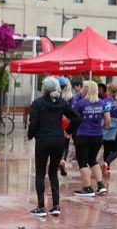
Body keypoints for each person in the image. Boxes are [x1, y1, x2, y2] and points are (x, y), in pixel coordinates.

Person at [27, 76, 80, 216]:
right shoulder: (61, 102)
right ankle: (56, 206)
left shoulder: (37, 103)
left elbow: (33, 123)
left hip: (43, 141)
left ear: (44, 88)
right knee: (53, 173)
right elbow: (77, 117)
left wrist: (30, 135)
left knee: (40, 172)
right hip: (58, 141)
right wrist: (68, 132)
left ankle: (41, 207)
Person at [71, 80, 110, 197]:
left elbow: (72, 119)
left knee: (82, 161)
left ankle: (87, 188)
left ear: (87, 89)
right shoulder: (103, 103)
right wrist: (102, 128)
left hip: (83, 135)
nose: (82, 90)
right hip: (98, 136)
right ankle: (101, 186)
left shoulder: (80, 103)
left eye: (83, 88)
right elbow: (107, 121)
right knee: (93, 160)